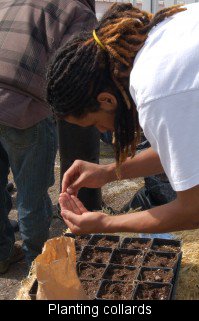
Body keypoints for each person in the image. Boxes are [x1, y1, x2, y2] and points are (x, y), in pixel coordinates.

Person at [46, 3, 199, 235]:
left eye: (96, 123)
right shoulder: (162, 44)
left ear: (107, 100)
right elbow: (180, 152)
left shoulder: (157, 91)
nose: (102, 130)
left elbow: (193, 210)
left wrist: (104, 224)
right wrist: (108, 172)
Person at [0, 0, 98, 273]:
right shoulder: (79, 12)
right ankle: (38, 267)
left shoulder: (13, 2)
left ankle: (2, 254)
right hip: (24, 108)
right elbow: (74, 70)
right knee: (32, 194)